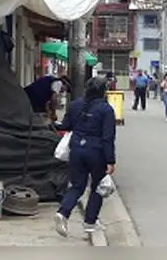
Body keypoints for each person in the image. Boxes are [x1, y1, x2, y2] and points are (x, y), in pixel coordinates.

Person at [54, 76, 116, 238]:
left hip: (76, 149)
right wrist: (110, 160)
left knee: (76, 185)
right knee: (98, 187)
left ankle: (63, 212)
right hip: (97, 153)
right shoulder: (106, 110)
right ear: (103, 91)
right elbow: (108, 137)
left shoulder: (75, 105)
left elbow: (65, 126)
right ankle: (89, 222)